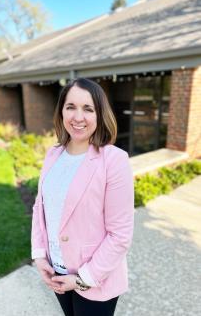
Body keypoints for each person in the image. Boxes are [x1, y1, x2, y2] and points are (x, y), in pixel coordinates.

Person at [31, 77, 134, 316]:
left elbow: (120, 235)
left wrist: (81, 279)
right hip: (57, 271)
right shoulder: (53, 154)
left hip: (96, 277)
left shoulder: (114, 160)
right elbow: (40, 208)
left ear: (100, 115)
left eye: (88, 109)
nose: (78, 117)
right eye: (71, 107)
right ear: (62, 112)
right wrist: (39, 255)